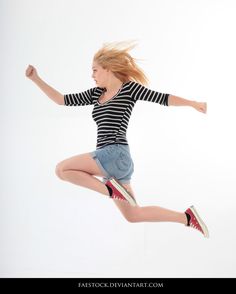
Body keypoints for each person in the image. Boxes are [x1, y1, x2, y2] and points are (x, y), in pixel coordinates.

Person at [25, 41, 209, 238]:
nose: (92, 75)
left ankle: (111, 191)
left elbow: (162, 98)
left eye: (95, 70)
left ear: (109, 68)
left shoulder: (129, 89)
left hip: (114, 153)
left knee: (61, 169)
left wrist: (192, 103)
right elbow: (62, 99)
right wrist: (36, 79)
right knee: (134, 215)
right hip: (115, 163)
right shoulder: (96, 94)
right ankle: (187, 218)